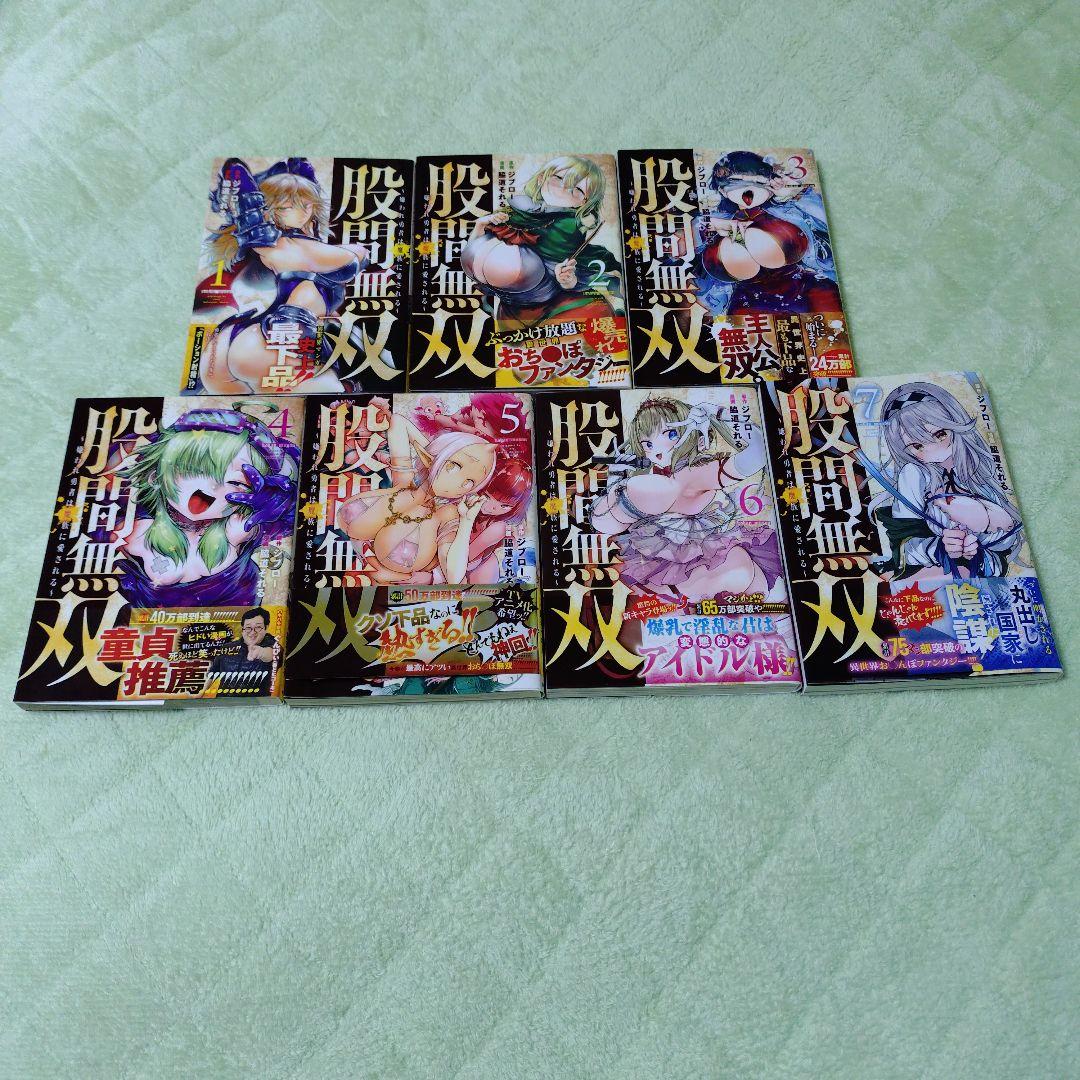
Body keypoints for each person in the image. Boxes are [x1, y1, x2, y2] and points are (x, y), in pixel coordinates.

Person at [199, 157, 373, 393]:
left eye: (306, 203)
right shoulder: (274, 245)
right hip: (275, 340)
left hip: (237, 343)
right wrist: (235, 172)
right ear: (269, 210)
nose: (302, 211)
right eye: (286, 206)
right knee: (333, 401)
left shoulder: (298, 245)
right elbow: (251, 216)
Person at [590, 397, 783, 603]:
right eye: (648, 443)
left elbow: (759, 453)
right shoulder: (654, 476)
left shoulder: (694, 472)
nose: (656, 450)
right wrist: (616, 477)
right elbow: (606, 523)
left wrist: (718, 413)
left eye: (671, 434)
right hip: (671, 566)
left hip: (707, 564)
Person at [116, 409, 298, 607]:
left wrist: (284, 505)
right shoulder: (134, 527)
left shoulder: (241, 526)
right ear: (156, 476)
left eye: (236, 483)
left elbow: (297, 526)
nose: (211, 490)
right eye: (195, 470)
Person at [870, 382, 1023, 581]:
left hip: (985, 574)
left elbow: (1007, 539)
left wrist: (978, 548)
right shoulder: (914, 473)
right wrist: (940, 547)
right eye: (916, 446)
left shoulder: (976, 468)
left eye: (940, 434)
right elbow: (904, 547)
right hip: (936, 575)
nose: (932, 449)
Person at [206, 607, 280, 695]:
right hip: (224, 700)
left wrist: (260, 652)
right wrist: (201, 692)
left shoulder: (273, 645)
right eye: (248, 627)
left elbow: (272, 654)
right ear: (242, 629)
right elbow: (213, 672)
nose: (252, 632)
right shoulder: (227, 647)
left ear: (266, 628)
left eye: (258, 627)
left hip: (256, 701)